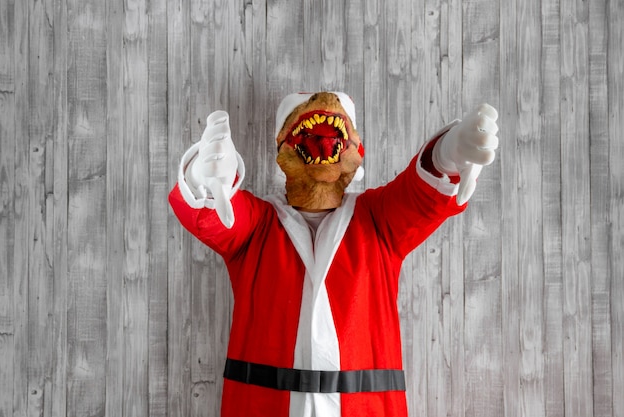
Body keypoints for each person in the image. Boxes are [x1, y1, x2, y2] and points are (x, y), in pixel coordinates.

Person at [169, 92, 499, 417]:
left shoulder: (378, 220)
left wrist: (447, 154)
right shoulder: (257, 225)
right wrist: (206, 177)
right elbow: (209, 216)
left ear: (358, 152)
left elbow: (421, 194)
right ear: (281, 150)